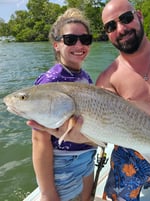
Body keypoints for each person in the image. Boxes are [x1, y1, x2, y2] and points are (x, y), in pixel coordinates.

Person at [28, 0, 150, 200]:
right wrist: (74, 135)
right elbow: (97, 130)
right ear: (107, 33)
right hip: (127, 157)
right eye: (111, 26)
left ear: (140, 16)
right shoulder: (106, 79)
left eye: (126, 18)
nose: (121, 28)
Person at [31, 8, 96, 201]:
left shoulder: (85, 76)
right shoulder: (49, 82)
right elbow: (39, 140)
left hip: (87, 157)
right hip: (63, 162)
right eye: (70, 40)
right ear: (57, 45)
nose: (79, 44)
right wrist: (47, 191)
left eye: (85, 39)